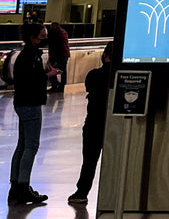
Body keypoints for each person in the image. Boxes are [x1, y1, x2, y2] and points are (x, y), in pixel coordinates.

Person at [9, 22, 56, 205]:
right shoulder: (30, 56)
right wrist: (48, 75)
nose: (44, 40)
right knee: (31, 146)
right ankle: (23, 186)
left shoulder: (28, 55)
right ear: (32, 37)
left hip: (23, 103)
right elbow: (31, 79)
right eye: (41, 37)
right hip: (30, 104)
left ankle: (16, 186)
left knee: (22, 145)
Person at [67, 49, 114, 204]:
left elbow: (89, 89)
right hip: (114, 124)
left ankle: (82, 191)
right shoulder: (120, 76)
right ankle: (112, 193)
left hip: (93, 122)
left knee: (89, 160)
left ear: (105, 55)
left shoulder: (93, 75)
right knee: (114, 161)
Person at [47, 22, 69, 93]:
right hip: (64, 55)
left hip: (58, 56)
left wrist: (53, 58)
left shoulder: (56, 34)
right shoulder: (63, 32)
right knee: (63, 72)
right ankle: (61, 87)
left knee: (51, 70)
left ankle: (54, 86)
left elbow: (55, 46)